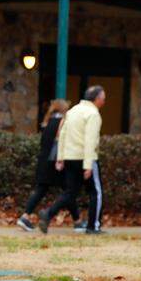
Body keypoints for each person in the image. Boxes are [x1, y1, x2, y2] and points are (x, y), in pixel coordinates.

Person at [39, 85, 105, 235]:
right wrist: (88, 165)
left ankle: (48, 213)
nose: (104, 101)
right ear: (96, 99)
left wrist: (61, 157)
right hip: (85, 157)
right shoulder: (93, 114)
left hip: (70, 157)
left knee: (70, 192)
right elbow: (90, 140)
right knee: (96, 192)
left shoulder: (72, 111)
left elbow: (62, 134)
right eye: (103, 98)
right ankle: (93, 225)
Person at [16, 99, 72, 232]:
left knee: (42, 190)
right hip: (55, 162)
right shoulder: (62, 123)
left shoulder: (47, 122)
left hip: (44, 161)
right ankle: (78, 220)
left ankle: (25, 216)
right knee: (69, 190)